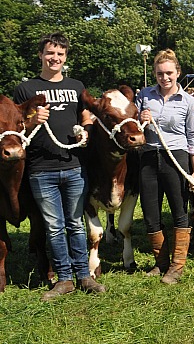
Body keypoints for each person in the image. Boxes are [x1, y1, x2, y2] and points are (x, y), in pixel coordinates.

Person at [14, 32, 106, 300]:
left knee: (76, 224)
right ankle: (63, 279)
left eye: (60, 54)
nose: (55, 58)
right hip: (41, 169)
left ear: (65, 58)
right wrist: (32, 120)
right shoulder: (26, 89)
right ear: (41, 55)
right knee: (54, 227)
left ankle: (84, 276)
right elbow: (14, 125)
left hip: (74, 165)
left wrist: (86, 130)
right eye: (50, 53)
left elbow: (85, 114)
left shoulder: (76, 85)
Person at [136, 49, 194, 284]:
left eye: (169, 73)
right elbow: (132, 129)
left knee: (179, 210)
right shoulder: (144, 95)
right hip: (148, 158)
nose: (164, 78)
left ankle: (177, 266)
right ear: (154, 74)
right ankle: (160, 262)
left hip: (176, 158)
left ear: (178, 73)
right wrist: (139, 120)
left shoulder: (189, 102)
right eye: (160, 74)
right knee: (150, 212)